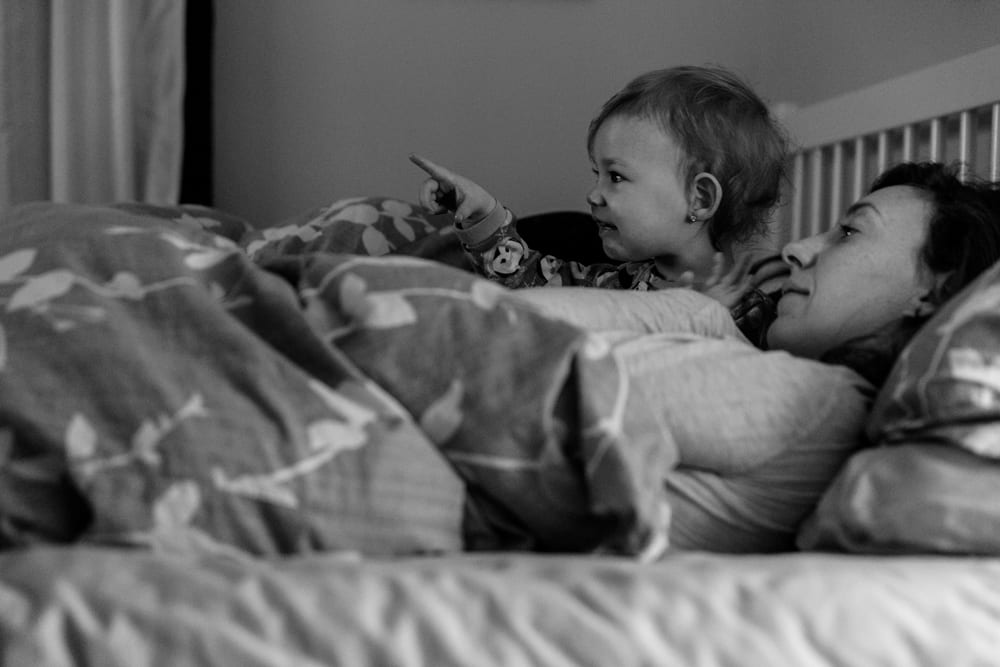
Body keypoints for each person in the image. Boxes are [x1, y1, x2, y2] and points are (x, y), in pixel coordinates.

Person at [510, 161, 1000, 550]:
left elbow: (508, 363)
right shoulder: (747, 350)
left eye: (849, 233)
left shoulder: (813, 400)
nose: (796, 247)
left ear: (935, 291)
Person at [409, 65, 790, 346]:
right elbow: (528, 278)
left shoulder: (755, 311)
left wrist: (711, 323)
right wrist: (481, 212)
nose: (593, 194)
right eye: (597, 174)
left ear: (700, 199)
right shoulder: (616, 285)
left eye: (617, 177)